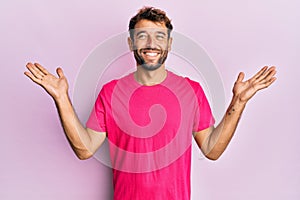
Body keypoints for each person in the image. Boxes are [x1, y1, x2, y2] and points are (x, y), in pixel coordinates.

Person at [24, 7, 276, 200]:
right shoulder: (111, 92)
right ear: (131, 42)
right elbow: (84, 149)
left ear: (169, 44)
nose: (151, 44)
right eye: (142, 36)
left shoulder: (191, 90)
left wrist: (239, 101)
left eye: (159, 36)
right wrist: (61, 98)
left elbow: (212, 149)